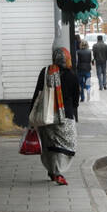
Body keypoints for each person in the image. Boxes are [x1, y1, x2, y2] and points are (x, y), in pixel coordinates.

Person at [31, 46, 79, 185]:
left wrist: (32, 113)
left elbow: (38, 93)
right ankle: (58, 172)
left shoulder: (45, 72)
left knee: (49, 145)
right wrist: (73, 110)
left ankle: (52, 171)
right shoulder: (72, 75)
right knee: (68, 145)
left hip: (46, 116)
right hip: (65, 116)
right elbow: (76, 98)